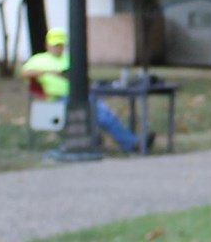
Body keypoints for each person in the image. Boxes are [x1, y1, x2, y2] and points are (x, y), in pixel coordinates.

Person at [20, 27, 152, 153]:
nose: (58, 48)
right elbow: (25, 73)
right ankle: (124, 143)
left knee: (105, 115)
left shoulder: (71, 58)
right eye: (55, 45)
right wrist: (51, 72)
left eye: (61, 45)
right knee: (93, 114)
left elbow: (85, 77)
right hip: (59, 99)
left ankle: (133, 144)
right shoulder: (39, 60)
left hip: (82, 94)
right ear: (47, 45)